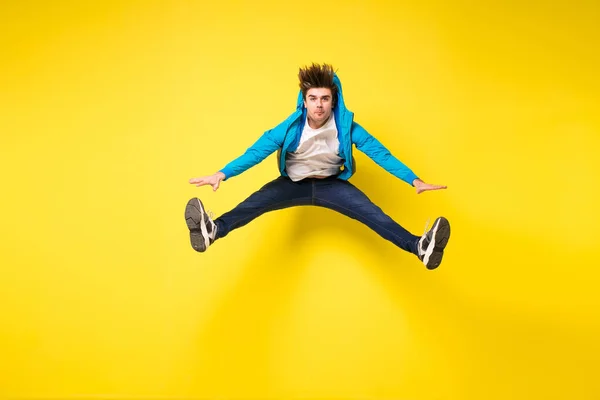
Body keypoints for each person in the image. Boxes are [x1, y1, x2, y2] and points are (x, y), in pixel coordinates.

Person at [185, 63, 451, 270]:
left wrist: (414, 180)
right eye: (313, 98)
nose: (319, 105)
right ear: (304, 100)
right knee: (254, 204)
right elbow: (256, 152)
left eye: (324, 98)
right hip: (292, 185)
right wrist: (222, 174)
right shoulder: (290, 128)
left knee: (373, 214)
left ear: (332, 101)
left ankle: (420, 247)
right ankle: (212, 231)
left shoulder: (347, 129)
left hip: (331, 187)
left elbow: (380, 154)